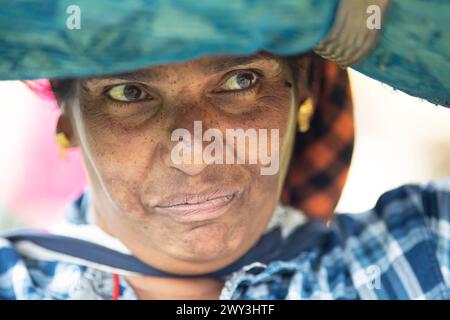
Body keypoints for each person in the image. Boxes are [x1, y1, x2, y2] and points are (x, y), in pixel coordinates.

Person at [0, 0, 449, 300]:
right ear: (67, 121)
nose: (194, 155)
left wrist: (344, 17)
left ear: (305, 94)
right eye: (130, 92)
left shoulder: (418, 256)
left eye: (241, 80)